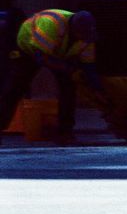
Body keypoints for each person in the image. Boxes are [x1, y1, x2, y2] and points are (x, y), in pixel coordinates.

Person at [0, 8, 108, 146]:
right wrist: (68, 70)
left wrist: (97, 88)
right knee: (14, 89)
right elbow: (41, 58)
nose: (83, 39)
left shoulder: (87, 37)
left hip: (59, 55)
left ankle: (65, 133)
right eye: (81, 35)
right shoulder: (50, 23)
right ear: (74, 29)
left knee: (69, 91)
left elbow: (88, 66)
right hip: (29, 51)